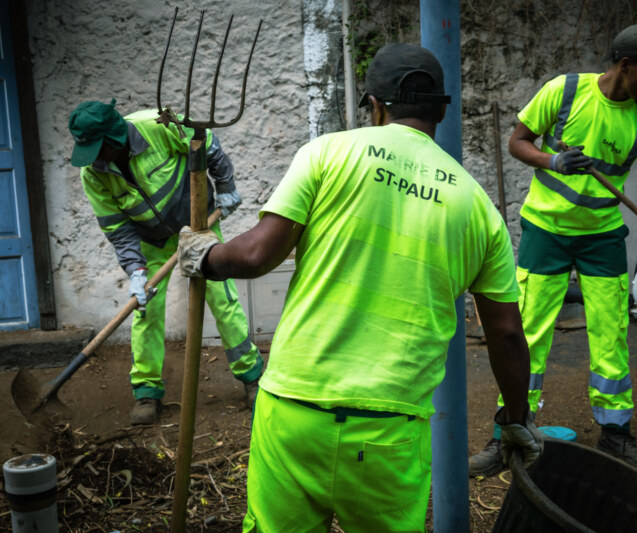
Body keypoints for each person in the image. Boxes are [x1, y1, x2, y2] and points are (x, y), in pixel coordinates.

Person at [178, 43, 543, 532]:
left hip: (293, 413)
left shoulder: (326, 153)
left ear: (374, 105)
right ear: (440, 110)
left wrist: (204, 254)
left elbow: (254, 255)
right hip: (389, 431)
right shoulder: (479, 209)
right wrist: (515, 417)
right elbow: (506, 335)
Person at [468, 24, 637, 476]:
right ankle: (507, 433)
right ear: (625, 65)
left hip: (603, 236)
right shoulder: (564, 92)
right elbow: (517, 142)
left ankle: (616, 435)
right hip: (545, 230)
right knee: (527, 335)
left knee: (611, 337)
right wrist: (553, 160)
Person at [68, 100, 264, 425]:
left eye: (97, 149)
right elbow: (117, 227)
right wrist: (135, 271)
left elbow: (209, 148)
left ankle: (252, 377)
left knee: (221, 298)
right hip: (151, 238)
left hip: (198, 219)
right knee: (145, 309)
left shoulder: (158, 126)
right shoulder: (93, 174)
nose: (94, 160)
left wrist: (226, 187)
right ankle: (147, 392)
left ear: (114, 139)